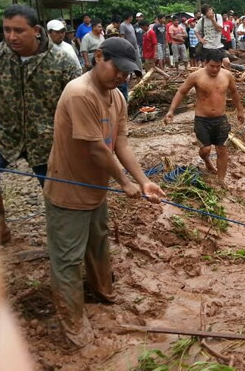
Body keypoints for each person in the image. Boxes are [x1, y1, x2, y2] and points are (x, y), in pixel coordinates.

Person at [43, 37, 164, 347]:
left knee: (98, 246)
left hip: (96, 189)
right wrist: (124, 183)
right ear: (98, 57)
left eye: (127, 73)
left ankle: (102, 292)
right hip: (69, 190)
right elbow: (97, 148)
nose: (121, 77)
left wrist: (143, 180)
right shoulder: (80, 93)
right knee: (68, 259)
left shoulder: (117, 97)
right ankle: (73, 322)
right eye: (117, 69)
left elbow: (120, 142)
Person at [0, 5, 81, 244]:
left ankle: (63, 239)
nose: (11, 37)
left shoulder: (62, 60)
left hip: (47, 140)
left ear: (35, 30)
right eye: (6, 30)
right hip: (4, 135)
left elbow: (78, 102)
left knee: (57, 192)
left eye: (18, 31)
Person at [165, 49, 244, 184]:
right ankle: (207, 160)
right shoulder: (196, 76)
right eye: (212, 66)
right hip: (202, 119)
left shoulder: (227, 75)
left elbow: (234, 92)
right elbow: (181, 92)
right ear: (205, 63)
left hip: (220, 118)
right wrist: (171, 111)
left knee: (222, 149)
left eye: (218, 66)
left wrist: (240, 111)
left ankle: (221, 180)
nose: (215, 69)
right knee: (205, 149)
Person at [195, 4, 230, 69]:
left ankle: (228, 77)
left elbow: (219, 29)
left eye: (210, 9)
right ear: (205, 13)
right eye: (208, 11)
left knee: (227, 62)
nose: (210, 12)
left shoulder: (218, 16)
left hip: (218, 45)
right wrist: (200, 39)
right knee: (207, 65)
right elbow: (196, 30)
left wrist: (212, 19)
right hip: (207, 46)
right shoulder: (202, 20)